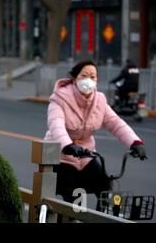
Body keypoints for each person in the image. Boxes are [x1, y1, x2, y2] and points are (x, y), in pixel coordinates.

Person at [44, 60, 147, 204]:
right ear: (74, 78)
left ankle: (103, 216)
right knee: (73, 195)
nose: (88, 80)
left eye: (93, 77)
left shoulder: (99, 101)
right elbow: (56, 126)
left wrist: (135, 143)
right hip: (61, 156)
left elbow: (116, 123)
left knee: (104, 186)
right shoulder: (60, 99)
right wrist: (68, 146)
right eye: (84, 75)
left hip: (86, 155)